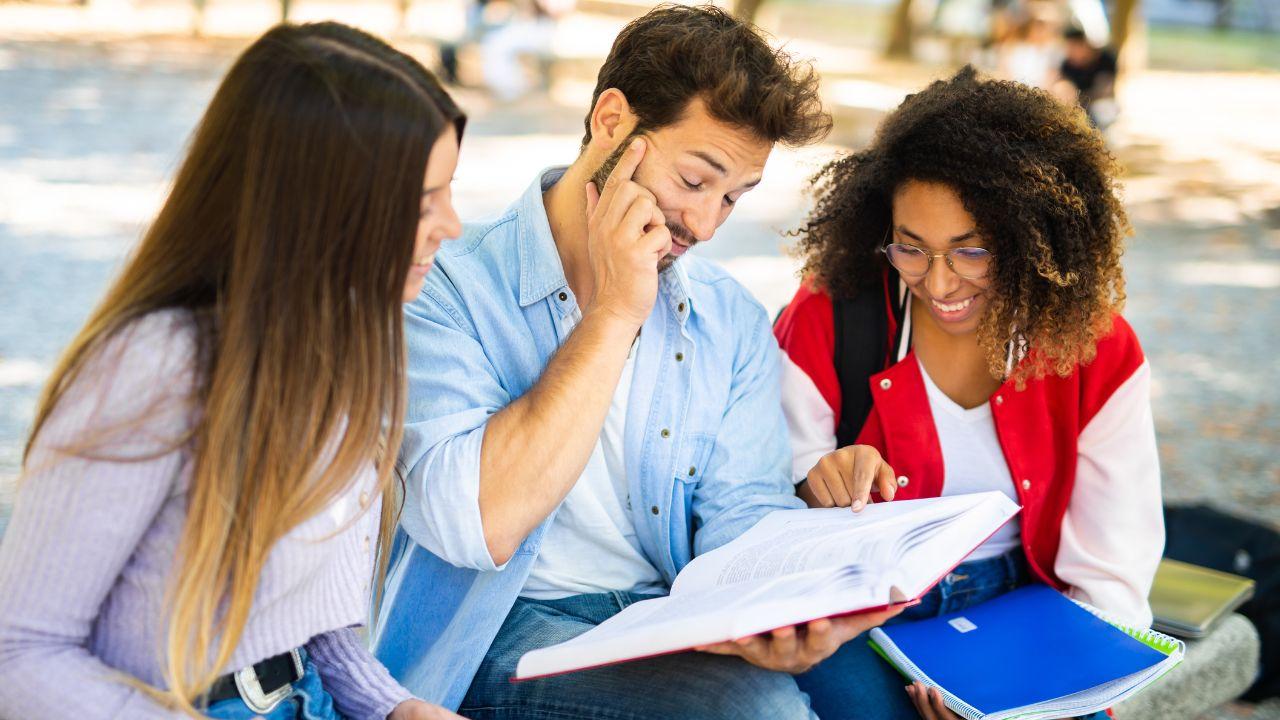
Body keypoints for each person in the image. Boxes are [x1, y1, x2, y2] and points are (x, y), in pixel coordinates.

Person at [372, 5, 902, 718]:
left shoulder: (727, 315)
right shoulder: (446, 288)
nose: (705, 224)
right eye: (694, 180)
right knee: (759, 713)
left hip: (664, 611)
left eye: (733, 198)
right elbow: (476, 524)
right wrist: (616, 314)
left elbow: (742, 508)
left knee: (872, 698)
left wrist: (777, 611)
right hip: (500, 632)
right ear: (612, 121)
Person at [0, 22, 467, 720]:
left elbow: (305, 621)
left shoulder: (351, 341)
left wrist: (390, 706)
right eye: (424, 203)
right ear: (323, 209)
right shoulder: (157, 367)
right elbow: (20, 653)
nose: (452, 225)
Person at [774, 67, 1163, 720]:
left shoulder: (1097, 349)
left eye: (972, 250)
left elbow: (1110, 574)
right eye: (911, 248)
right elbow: (757, 498)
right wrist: (812, 480)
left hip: (1024, 611)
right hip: (855, 611)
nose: (940, 283)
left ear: (1031, 236)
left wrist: (1022, 699)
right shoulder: (832, 312)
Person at [1055, 27, 1119, 130]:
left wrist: (1079, 98)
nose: (1070, 51)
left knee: (1101, 111)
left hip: (1100, 104)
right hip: (1076, 105)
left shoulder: (1105, 59)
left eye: (1073, 47)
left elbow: (1105, 90)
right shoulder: (1067, 65)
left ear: (1084, 44)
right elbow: (1062, 87)